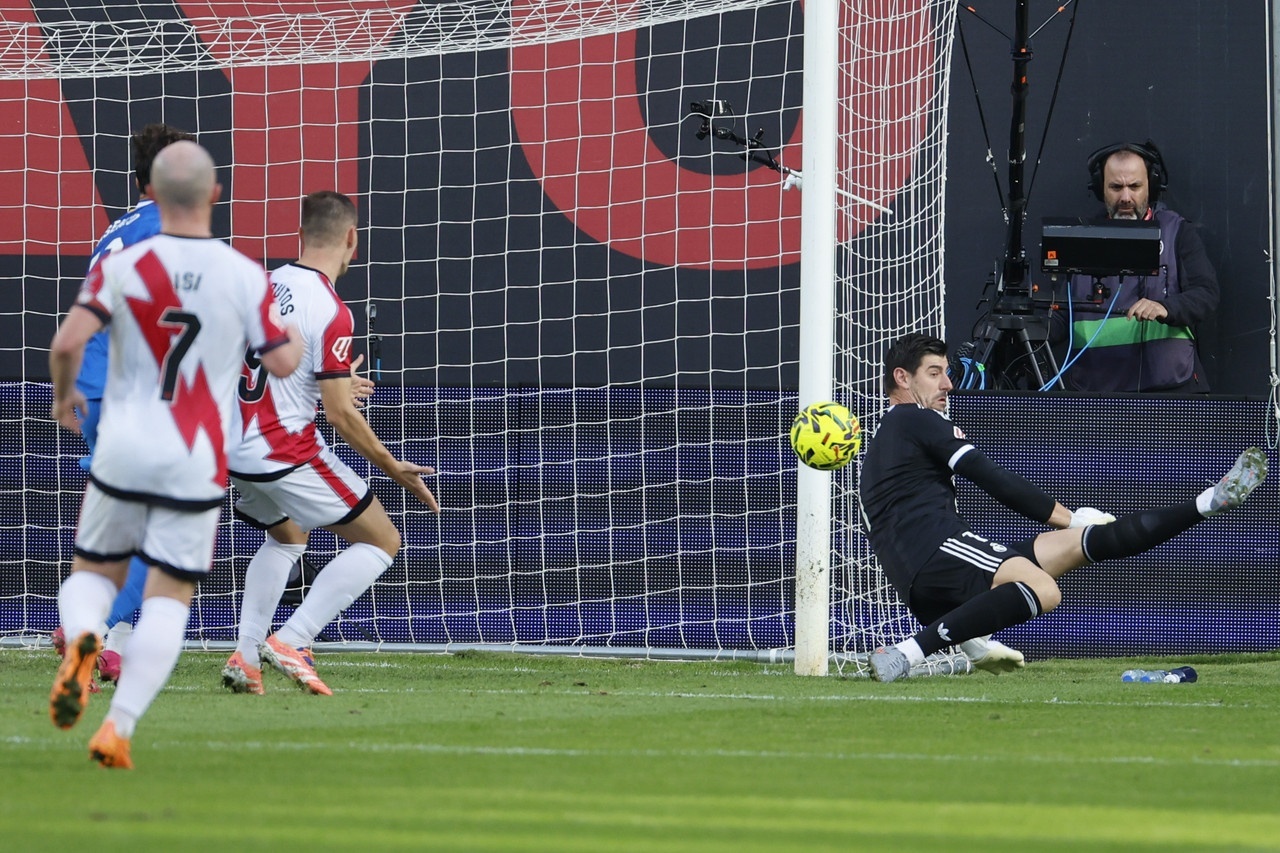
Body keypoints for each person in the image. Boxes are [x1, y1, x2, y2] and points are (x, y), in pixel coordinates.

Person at [47, 141, 302, 767]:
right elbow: (282, 362)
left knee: (92, 574)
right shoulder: (243, 273)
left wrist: (62, 400)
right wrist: (290, 333)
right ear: (215, 196)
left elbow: (66, 343)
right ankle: (119, 728)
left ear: (149, 193)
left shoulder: (124, 262)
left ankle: (84, 636)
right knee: (170, 594)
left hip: (125, 442)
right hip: (196, 454)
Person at [858, 333, 1266, 683]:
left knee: (1087, 543)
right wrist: (1069, 515)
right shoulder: (914, 418)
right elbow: (991, 477)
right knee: (1044, 590)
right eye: (935, 373)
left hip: (920, 568)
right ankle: (907, 653)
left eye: (946, 372)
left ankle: (1208, 502)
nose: (948, 383)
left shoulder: (894, 434)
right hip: (936, 551)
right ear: (902, 378)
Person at [221, 190, 439, 697]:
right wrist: (392, 466)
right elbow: (340, 414)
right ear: (351, 240)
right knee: (382, 540)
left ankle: (246, 655)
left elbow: (250, 371)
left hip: (233, 448)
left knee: (288, 537)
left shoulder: (259, 286)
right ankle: (294, 640)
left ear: (298, 235)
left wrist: (329, 382)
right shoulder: (332, 309)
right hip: (284, 452)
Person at [49, 123, 194, 684]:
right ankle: (94, 630)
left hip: (92, 385)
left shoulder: (120, 228)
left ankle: (99, 634)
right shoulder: (169, 232)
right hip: (128, 391)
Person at [1049, 140, 1219, 393]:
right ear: (1100, 189)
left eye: (1135, 186)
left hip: (1172, 390)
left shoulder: (1178, 232)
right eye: (1116, 187)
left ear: (1151, 185)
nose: (1126, 197)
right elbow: (1063, 313)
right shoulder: (1080, 237)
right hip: (1097, 396)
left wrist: (1165, 307)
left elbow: (1206, 294)